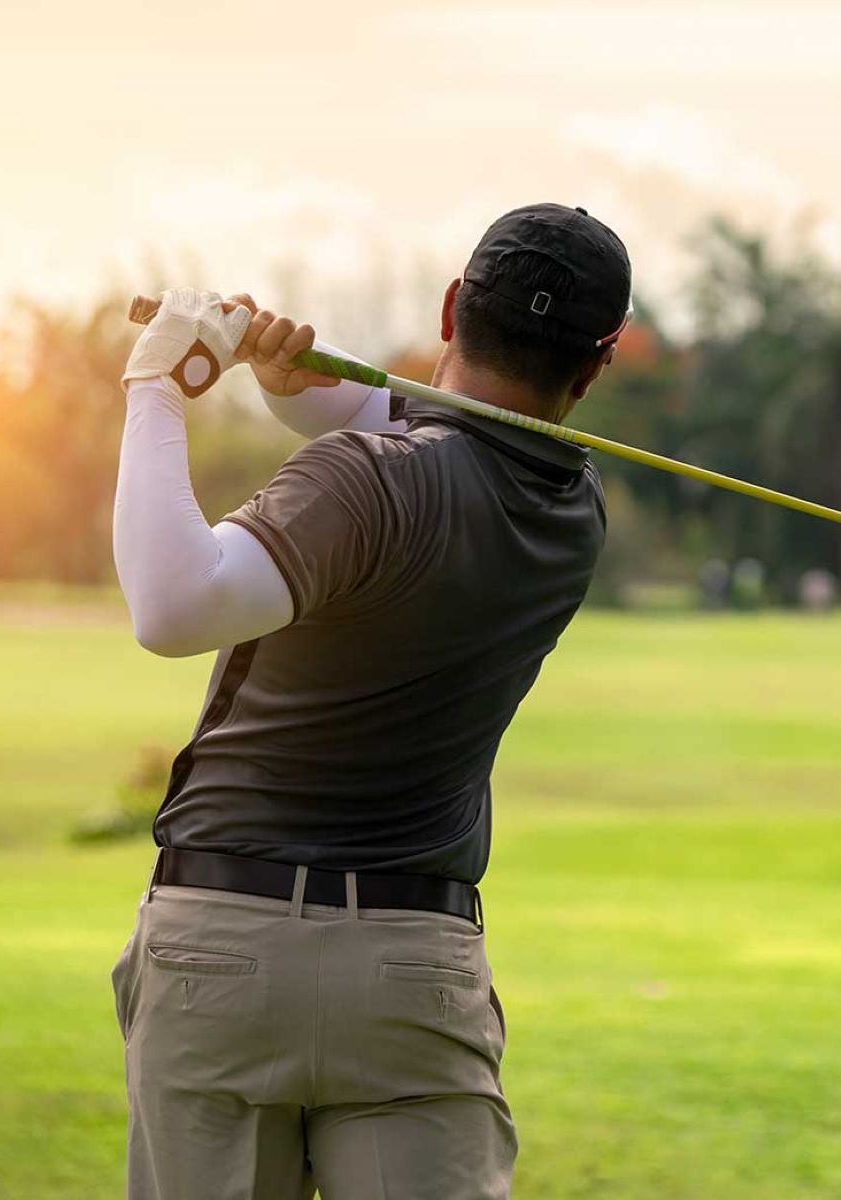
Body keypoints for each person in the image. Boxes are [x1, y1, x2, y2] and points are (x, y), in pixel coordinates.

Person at [108, 203, 632, 1200]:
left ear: (448, 307)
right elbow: (434, 450)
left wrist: (157, 388)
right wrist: (291, 388)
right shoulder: (574, 512)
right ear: (597, 363)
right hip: (415, 974)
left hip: (227, 950)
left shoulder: (362, 482)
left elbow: (173, 606)